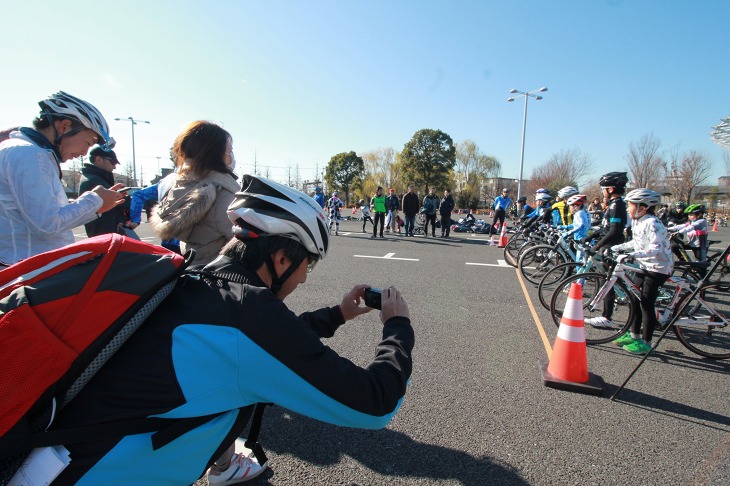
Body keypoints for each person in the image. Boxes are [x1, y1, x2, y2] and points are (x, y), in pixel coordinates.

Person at [38, 175, 414, 485]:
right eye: (307, 266)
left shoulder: (198, 280)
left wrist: (337, 315)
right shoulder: (248, 314)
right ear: (281, 258)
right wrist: (397, 326)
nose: (303, 278)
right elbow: (374, 404)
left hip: (56, 456)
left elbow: (264, 345)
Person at [0, 91, 125, 265]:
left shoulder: (26, 151)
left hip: (24, 266)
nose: (84, 153)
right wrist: (95, 200)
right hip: (28, 272)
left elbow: (39, 215)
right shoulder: (29, 154)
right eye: (88, 143)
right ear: (64, 126)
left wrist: (96, 206)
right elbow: (47, 224)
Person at [150, 121, 239, 265]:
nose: (232, 155)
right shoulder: (224, 197)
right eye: (230, 150)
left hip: (193, 268)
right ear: (216, 153)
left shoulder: (182, 187)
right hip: (221, 277)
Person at [610, 189, 673, 354]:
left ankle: (647, 342)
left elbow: (655, 249)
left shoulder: (653, 223)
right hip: (644, 265)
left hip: (658, 268)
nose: (627, 209)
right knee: (634, 299)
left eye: (630, 205)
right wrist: (616, 248)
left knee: (646, 303)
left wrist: (631, 255)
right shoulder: (639, 221)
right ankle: (634, 336)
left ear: (642, 207)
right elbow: (635, 243)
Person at [585, 171, 629, 330]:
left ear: (610, 189)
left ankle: (606, 316)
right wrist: (590, 238)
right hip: (607, 245)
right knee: (609, 281)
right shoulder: (613, 204)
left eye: (603, 188)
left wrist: (597, 245)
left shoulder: (617, 206)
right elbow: (605, 228)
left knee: (607, 282)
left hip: (611, 247)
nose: (602, 191)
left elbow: (614, 231)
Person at [79, 145, 127, 237]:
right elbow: (114, 204)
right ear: (99, 159)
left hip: (105, 234)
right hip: (104, 236)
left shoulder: (96, 178)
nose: (114, 167)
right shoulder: (93, 181)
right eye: (112, 162)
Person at [128, 172, 182, 253]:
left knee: (172, 263)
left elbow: (139, 195)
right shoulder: (200, 177)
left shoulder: (167, 180)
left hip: (168, 236)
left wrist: (135, 220)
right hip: (191, 241)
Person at [558, 194, 591, 262]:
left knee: (579, 264)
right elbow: (576, 224)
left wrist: (568, 233)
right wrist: (565, 227)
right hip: (582, 238)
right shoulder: (584, 212)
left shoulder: (578, 214)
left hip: (581, 240)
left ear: (575, 206)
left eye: (570, 206)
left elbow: (580, 225)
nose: (569, 209)